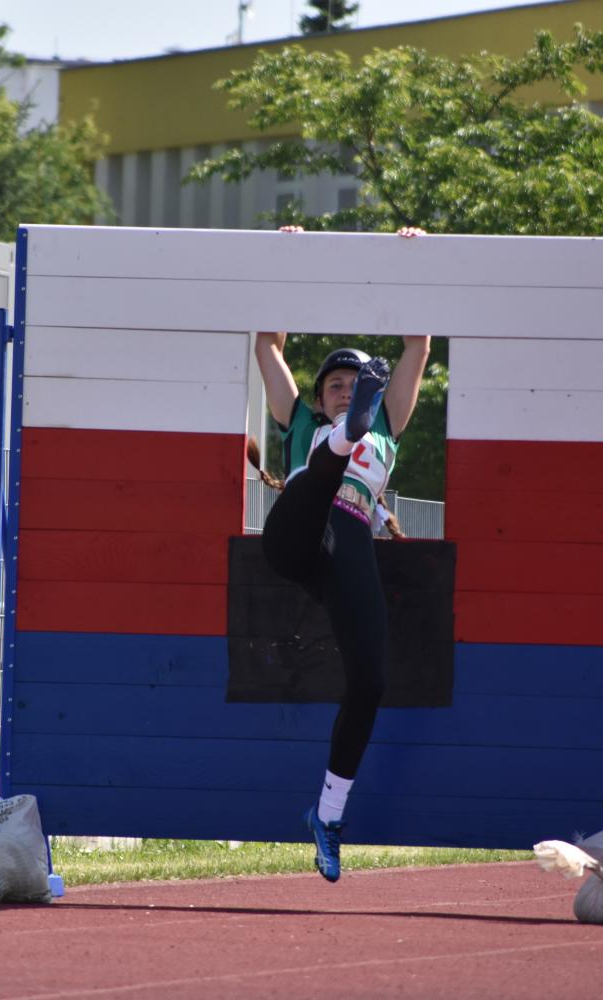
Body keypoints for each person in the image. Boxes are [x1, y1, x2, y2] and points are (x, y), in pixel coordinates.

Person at [254, 229, 430, 881]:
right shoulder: (298, 419)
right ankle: (339, 445)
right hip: (295, 530)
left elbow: (419, 343)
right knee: (326, 472)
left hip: (345, 541)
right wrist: (288, 261)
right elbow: (267, 344)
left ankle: (327, 816)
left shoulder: (389, 427)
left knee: (371, 681)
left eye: (355, 385)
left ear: (373, 398)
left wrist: (412, 259)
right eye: (334, 383)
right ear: (321, 393)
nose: (341, 387)